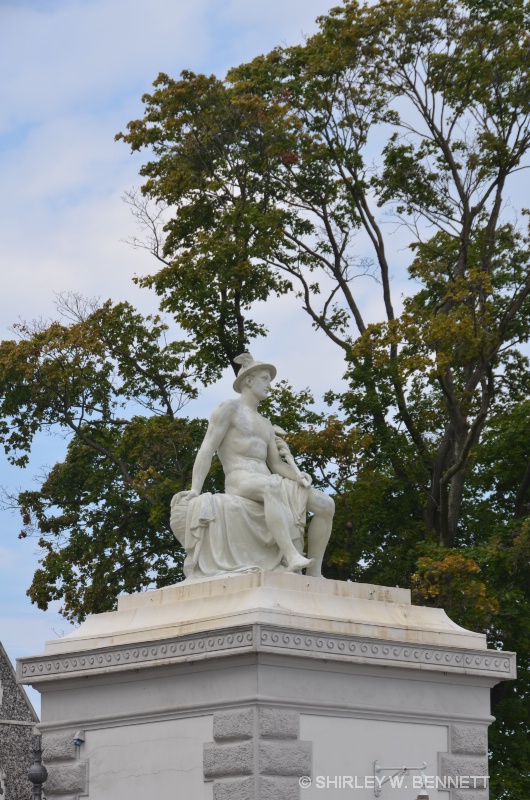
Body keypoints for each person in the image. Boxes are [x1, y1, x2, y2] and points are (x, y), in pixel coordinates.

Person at [180, 353, 334, 576]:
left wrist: (298, 477)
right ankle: (291, 556)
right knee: (271, 486)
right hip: (240, 479)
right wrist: (195, 489)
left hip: (268, 479)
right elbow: (206, 449)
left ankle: (315, 573)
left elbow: (276, 465)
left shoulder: (265, 423)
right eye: (265, 378)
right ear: (249, 380)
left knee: (326, 504)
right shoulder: (228, 409)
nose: (270, 385)